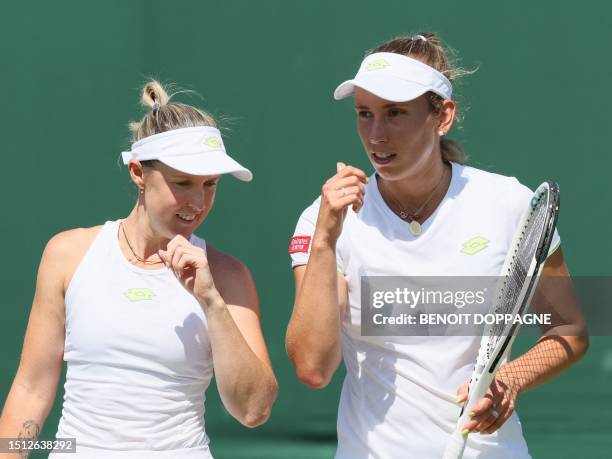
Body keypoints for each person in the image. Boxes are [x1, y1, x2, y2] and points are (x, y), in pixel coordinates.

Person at [286, 33, 589, 458]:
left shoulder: (510, 204)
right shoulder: (326, 218)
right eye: (364, 114)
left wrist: (510, 380)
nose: (376, 134)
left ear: (443, 116)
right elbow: (313, 367)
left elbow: (569, 330)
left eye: (395, 114)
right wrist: (323, 241)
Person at [0, 81, 278, 458]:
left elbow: (253, 410)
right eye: (182, 183)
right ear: (137, 172)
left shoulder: (228, 277)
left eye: (210, 184)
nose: (197, 203)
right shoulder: (67, 254)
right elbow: (31, 390)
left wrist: (212, 303)